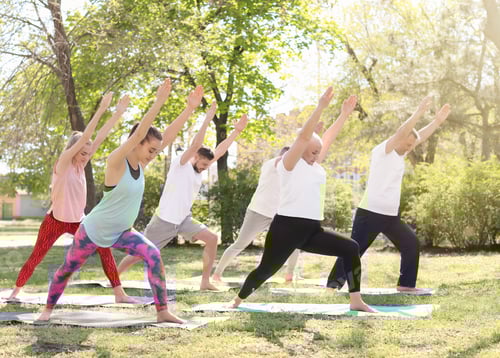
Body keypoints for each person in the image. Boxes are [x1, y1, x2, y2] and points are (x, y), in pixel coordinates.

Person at [38, 79, 202, 323]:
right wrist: (158, 102)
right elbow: (138, 133)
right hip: (92, 231)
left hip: (122, 233)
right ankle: (47, 310)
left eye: (156, 150)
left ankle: (162, 311)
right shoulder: (116, 162)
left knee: (153, 254)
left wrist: (189, 110)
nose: (154, 153)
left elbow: (165, 137)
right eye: (151, 149)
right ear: (137, 143)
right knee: (67, 270)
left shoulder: (142, 163)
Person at [229, 89, 374, 313]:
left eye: (318, 152)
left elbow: (325, 140)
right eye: (314, 151)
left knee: (351, 248)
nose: (318, 154)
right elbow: (303, 138)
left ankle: (356, 300)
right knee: (266, 270)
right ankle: (237, 300)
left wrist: (344, 114)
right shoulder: (289, 165)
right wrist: (320, 107)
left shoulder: (314, 166)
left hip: (312, 229)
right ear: (301, 149)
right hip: (286, 228)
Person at [6, 92, 133, 303]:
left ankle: (119, 293)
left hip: (79, 222)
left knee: (104, 249)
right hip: (54, 222)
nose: (86, 156)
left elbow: (99, 136)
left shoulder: (81, 165)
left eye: (88, 153)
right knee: (36, 256)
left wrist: (118, 113)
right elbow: (86, 137)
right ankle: (15, 292)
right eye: (82, 152)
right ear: (73, 150)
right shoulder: (63, 163)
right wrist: (101, 108)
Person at [117, 101, 248, 291]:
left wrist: (237, 132)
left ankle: (205, 282)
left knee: (212, 239)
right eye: (203, 164)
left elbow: (219, 151)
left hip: (183, 219)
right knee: (139, 253)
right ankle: (114, 278)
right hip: (163, 221)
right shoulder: (182, 163)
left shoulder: (200, 168)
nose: (204, 169)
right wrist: (208, 118)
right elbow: (196, 143)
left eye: (207, 167)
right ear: (195, 156)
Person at [327, 97, 451, 292]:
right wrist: (418, 112)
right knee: (354, 249)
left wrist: (436, 122)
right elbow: (403, 132)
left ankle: (406, 285)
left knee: (411, 244)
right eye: (407, 143)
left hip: (390, 216)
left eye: (412, 144)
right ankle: (332, 286)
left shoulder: (400, 155)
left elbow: (421, 136)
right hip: (370, 213)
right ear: (398, 138)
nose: (410, 147)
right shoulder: (383, 151)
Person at [212, 146, 302, 283]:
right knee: (240, 243)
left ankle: (289, 276)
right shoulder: (271, 164)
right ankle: (217, 274)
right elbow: (282, 161)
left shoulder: (293, 171)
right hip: (258, 211)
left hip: (279, 214)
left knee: (294, 242)